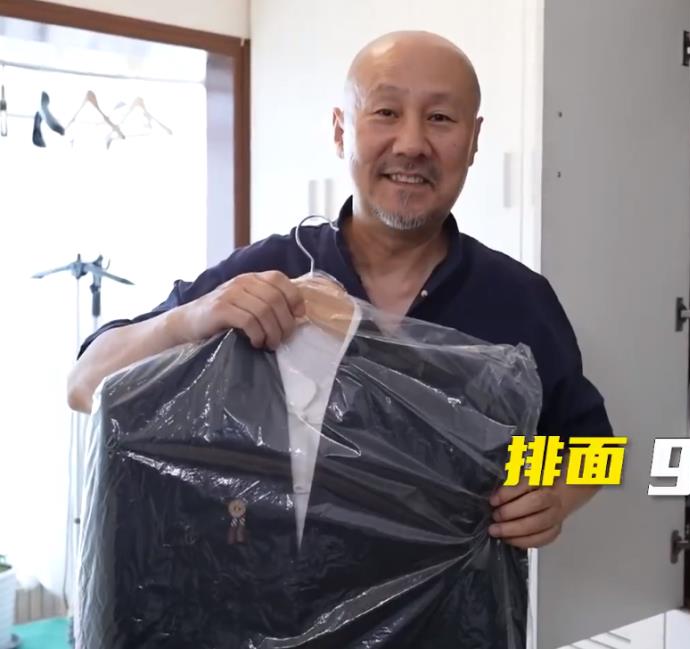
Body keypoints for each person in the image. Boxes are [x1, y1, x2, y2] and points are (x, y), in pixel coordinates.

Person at [67, 30, 612, 549]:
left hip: (457, 606)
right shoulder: (269, 272)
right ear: (340, 130)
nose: (412, 143)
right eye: (386, 112)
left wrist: (553, 496)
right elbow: (86, 385)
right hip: (265, 604)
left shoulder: (518, 299)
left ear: (472, 141)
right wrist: (192, 318)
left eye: (441, 118)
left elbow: (597, 452)